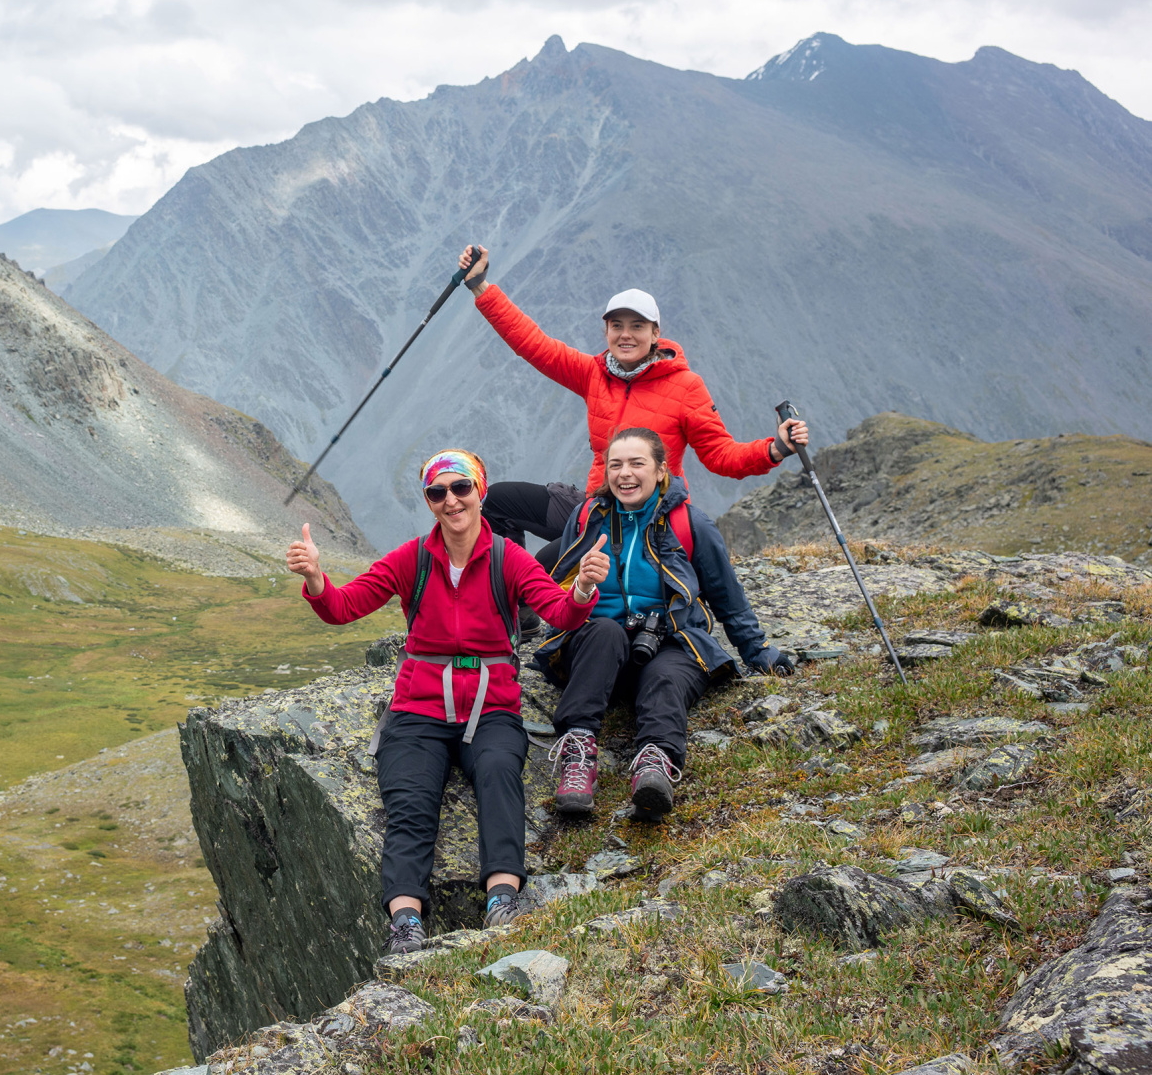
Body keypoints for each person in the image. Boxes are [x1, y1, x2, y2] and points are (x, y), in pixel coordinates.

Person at [286, 449, 610, 953]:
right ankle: (406, 923)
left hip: (493, 707)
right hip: (417, 709)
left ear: (481, 491)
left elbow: (559, 613)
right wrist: (315, 579)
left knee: (500, 776)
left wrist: (584, 589)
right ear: (430, 502)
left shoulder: (509, 557)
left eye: (461, 489)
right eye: (438, 493)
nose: (451, 501)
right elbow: (345, 606)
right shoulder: (411, 558)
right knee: (410, 803)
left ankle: (502, 898)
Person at [454, 245, 808, 659]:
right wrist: (481, 286)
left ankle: (520, 603)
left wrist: (775, 448)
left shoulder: (685, 387)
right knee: (496, 501)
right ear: (605, 331)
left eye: (637, 326)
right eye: (616, 325)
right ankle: (524, 617)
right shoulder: (595, 373)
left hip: (646, 520)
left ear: (656, 334)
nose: (626, 334)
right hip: (593, 507)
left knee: (531, 576)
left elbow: (721, 456)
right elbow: (533, 344)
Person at [536, 428, 757, 822]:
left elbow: (727, 595)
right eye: (615, 464)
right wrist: (583, 584)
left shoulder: (690, 524)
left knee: (667, 674)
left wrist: (757, 651)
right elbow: (555, 591)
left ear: (661, 470)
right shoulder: (588, 517)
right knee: (604, 631)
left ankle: (655, 765)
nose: (625, 474)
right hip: (594, 648)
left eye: (637, 463)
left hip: (667, 644)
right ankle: (578, 754)